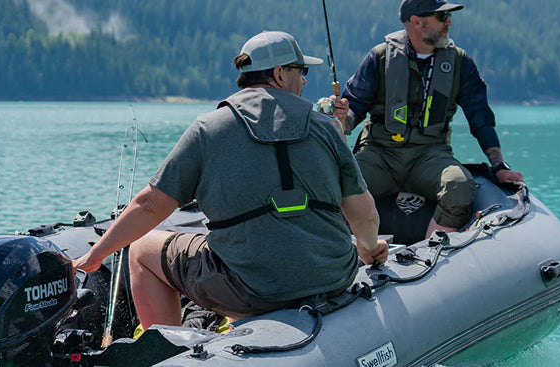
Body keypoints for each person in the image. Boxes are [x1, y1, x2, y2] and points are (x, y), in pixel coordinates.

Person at [74, 31, 388, 329]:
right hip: (332, 279)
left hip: (248, 292)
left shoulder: (207, 129)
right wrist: (369, 248)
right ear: (279, 74)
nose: (304, 79)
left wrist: (95, 255)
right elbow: (364, 215)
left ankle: (176, 353)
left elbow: (151, 204)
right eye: (300, 70)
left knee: (141, 249)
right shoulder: (326, 127)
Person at [332, 0, 524, 238]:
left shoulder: (461, 62)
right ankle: (352, 252)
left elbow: (481, 118)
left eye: (449, 17)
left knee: (460, 186)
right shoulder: (379, 57)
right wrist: (343, 117)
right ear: (416, 21)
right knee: (337, 183)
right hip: (380, 153)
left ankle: (431, 257)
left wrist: (499, 165)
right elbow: (354, 110)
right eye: (442, 17)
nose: (449, 22)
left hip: (431, 155)